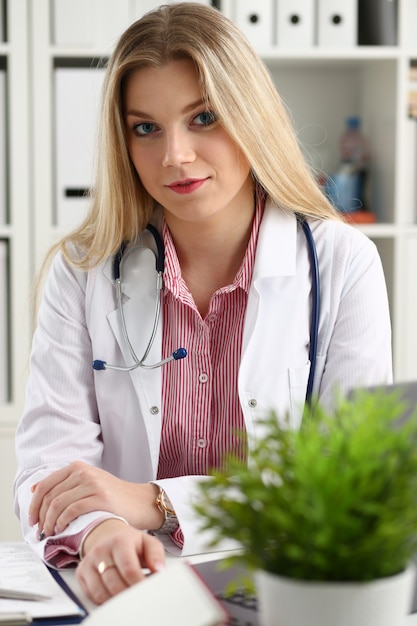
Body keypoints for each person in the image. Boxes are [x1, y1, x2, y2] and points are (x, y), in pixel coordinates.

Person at [14, 1, 392, 606]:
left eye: (204, 117)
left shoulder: (343, 263)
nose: (175, 157)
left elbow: (352, 488)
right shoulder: (83, 270)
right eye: (146, 128)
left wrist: (153, 502)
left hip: (287, 588)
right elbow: (48, 468)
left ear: (251, 117)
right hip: (133, 594)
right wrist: (102, 532)